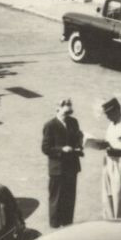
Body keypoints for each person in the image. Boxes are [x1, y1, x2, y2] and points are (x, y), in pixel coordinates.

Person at [41, 98, 84, 228]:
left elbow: (77, 138)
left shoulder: (73, 122)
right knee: (56, 198)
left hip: (71, 167)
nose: (67, 115)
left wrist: (80, 144)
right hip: (57, 168)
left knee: (70, 197)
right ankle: (54, 225)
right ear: (57, 109)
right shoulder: (50, 125)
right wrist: (61, 149)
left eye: (69, 111)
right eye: (65, 112)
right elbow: (45, 148)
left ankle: (67, 224)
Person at [99, 96, 121, 220]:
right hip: (108, 160)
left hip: (120, 162)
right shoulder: (111, 124)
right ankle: (109, 218)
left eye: (109, 113)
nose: (107, 117)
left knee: (120, 192)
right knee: (107, 191)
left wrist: (111, 147)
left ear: (117, 110)